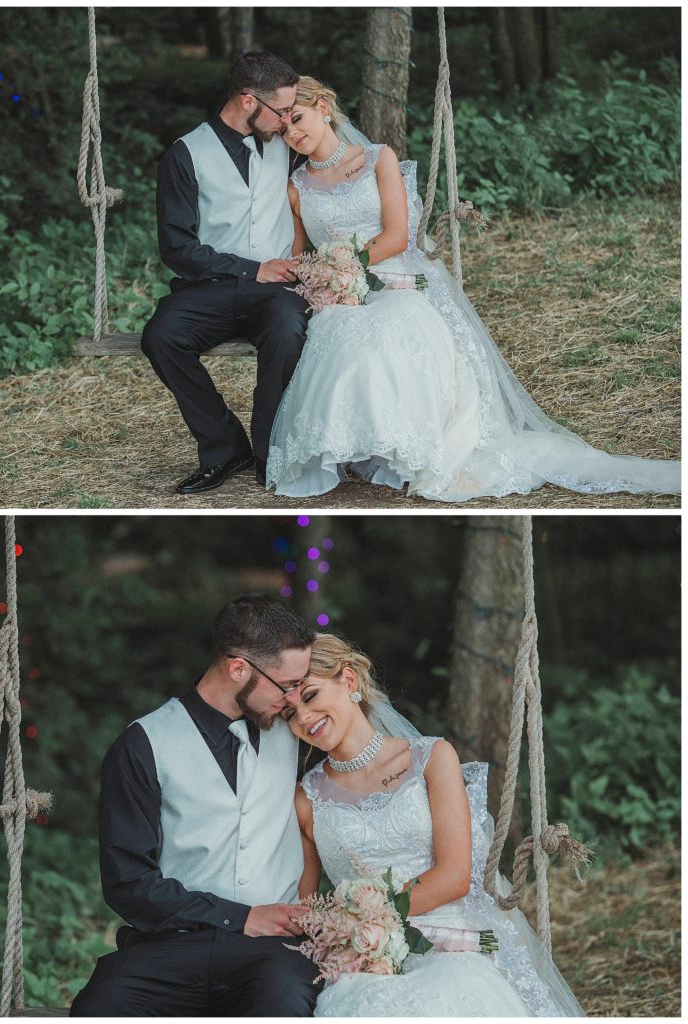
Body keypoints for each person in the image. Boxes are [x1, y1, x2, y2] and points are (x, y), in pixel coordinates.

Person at [266, 77, 681, 501]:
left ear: (322, 106)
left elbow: (397, 235)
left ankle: (408, 448)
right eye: (282, 130)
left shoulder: (377, 159)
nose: (293, 133)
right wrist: (321, 277)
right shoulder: (297, 188)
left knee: (393, 327)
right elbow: (300, 254)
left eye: (296, 119)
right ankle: (355, 445)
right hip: (342, 295)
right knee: (338, 334)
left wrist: (349, 264)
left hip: (397, 280)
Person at [280, 633, 586, 1017]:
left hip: (455, 943)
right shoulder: (306, 799)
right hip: (365, 963)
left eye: (310, 696)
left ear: (349, 681)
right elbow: (308, 904)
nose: (303, 718)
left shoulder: (432, 759)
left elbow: (456, 875)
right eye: (289, 714)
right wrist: (348, 935)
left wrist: (369, 916)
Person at [70, 594, 323, 1017]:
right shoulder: (142, 745)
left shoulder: (300, 733)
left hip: (274, 954)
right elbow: (127, 882)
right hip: (169, 949)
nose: (295, 698)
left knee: (283, 1005)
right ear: (238, 667)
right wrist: (238, 917)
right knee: (101, 1008)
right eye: (287, 685)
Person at [141, 52, 309, 495]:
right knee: (161, 336)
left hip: (276, 293)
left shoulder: (284, 144)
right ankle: (224, 447)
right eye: (281, 111)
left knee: (289, 329)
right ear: (249, 101)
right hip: (208, 289)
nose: (287, 120)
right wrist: (253, 268)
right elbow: (177, 248)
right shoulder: (185, 154)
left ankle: (269, 450)